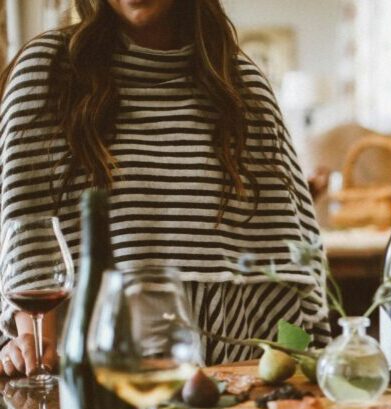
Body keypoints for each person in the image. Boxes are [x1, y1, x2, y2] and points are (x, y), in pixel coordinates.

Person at [0, 0, 329, 377]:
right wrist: (35, 343)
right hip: (97, 363)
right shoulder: (48, 70)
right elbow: (27, 235)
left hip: (237, 363)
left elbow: (291, 249)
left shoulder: (242, 84)